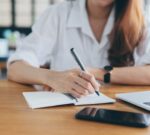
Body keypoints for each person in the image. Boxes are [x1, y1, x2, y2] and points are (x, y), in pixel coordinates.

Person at [7, 0, 150, 98]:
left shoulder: (141, 20)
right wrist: (51, 78)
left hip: (119, 115)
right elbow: (15, 68)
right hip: (63, 118)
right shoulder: (58, 14)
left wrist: (96, 73)